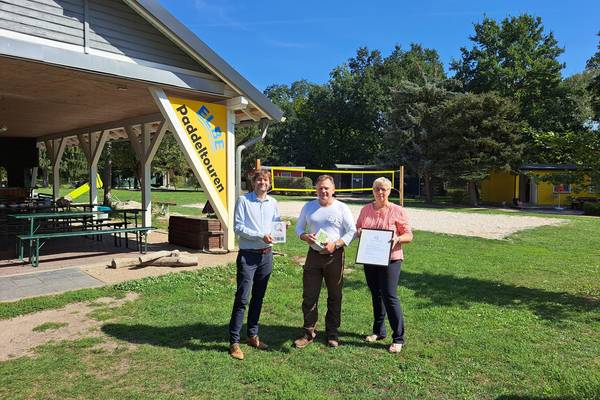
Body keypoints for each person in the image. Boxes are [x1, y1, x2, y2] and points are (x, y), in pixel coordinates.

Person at [294, 175, 356, 348]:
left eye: (327, 188)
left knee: (335, 296)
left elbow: (351, 231)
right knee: (309, 295)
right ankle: (308, 332)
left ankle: (332, 332)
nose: (323, 191)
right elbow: (298, 227)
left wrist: (335, 245)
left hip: (334, 256)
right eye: (320, 188)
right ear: (316, 189)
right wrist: (304, 236)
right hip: (313, 256)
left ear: (333, 190)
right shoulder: (309, 206)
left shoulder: (342, 208)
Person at [228, 170, 282, 360]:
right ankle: (234, 342)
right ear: (253, 182)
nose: (262, 182)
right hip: (248, 256)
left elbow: (276, 225)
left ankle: (252, 335)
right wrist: (260, 235)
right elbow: (238, 227)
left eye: (265, 180)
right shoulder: (244, 201)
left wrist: (282, 228)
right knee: (243, 298)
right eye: (259, 179)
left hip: (266, 255)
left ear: (269, 183)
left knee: (258, 297)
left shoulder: (273, 203)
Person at [355, 177, 413, 353]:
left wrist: (398, 238)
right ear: (373, 190)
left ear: (389, 191)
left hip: (391, 259)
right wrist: (361, 234)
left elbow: (409, 235)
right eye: (377, 189)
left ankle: (398, 338)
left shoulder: (398, 210)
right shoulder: (365, 210)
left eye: (384, 189)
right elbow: (358, 229)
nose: (380, 192)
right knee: (376, 295)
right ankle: (378, 331)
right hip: (371, 258)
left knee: (389, 295)